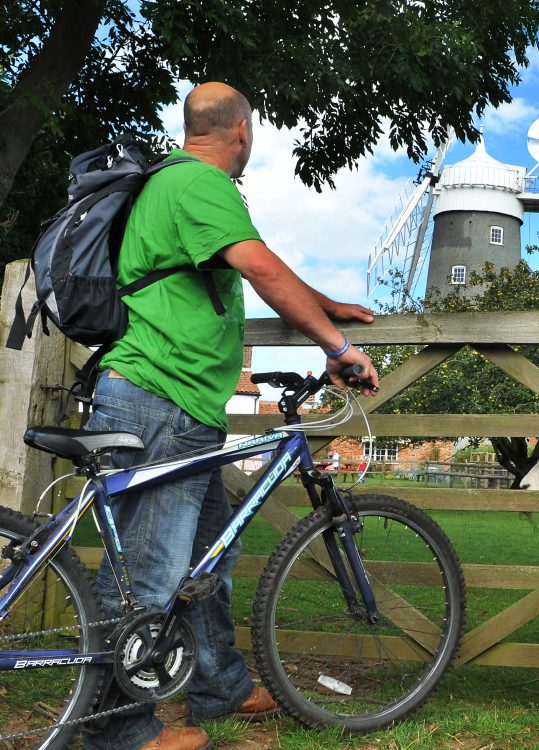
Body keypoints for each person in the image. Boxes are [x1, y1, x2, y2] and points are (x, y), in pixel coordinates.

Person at [83, 82, 380, 750]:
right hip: (160, 396)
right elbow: (260, 268)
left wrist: (322, 303)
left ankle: (218, 684)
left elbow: (259, 268)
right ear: (242, 130)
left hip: (173, 400)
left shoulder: (175, 185)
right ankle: (118, 732)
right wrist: (336, 345)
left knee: (207, 556)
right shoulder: (198, 184)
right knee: (150, 576)